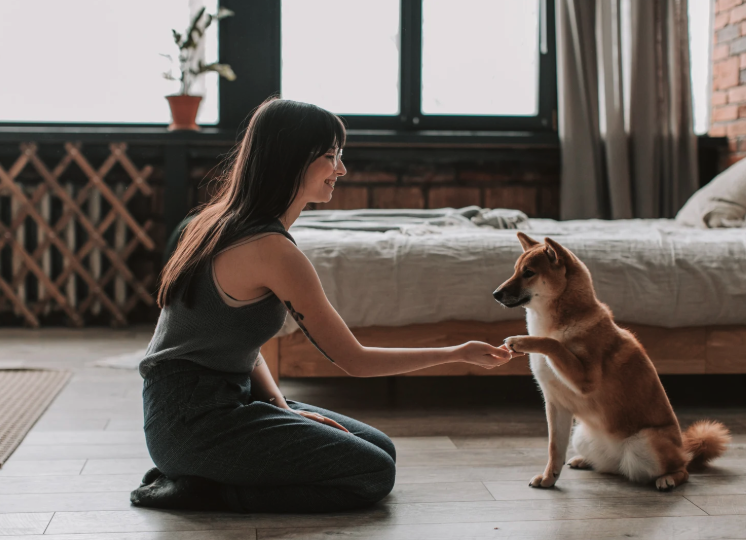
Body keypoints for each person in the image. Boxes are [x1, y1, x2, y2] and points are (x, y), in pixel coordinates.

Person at [130, 98, 515, 514]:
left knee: (378, 447)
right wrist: (456, 353)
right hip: (193, 423)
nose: (341, 169)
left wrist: (280, 409)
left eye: (340, 155)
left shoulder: (221, 220)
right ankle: (200, 490)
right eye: (331, 156)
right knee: (372, 473)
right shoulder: (270, 249)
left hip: (215, 402)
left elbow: (237, 341)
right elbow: (354, 360)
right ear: (291, 160)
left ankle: (209, 473)